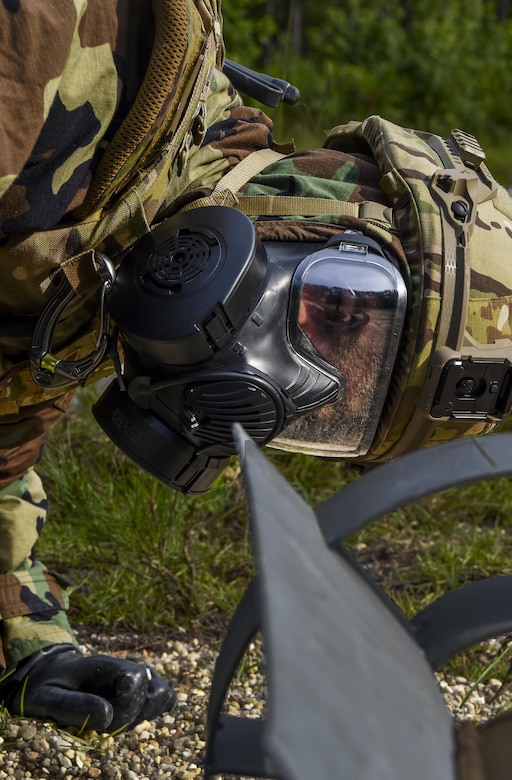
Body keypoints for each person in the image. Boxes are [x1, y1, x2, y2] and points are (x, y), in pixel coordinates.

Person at [3, 0, 512, 736]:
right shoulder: (53, 51)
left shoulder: (103, 257)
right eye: (336, 317)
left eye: (323, 415)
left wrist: (28, 643)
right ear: (332, 193)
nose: (275, 383)